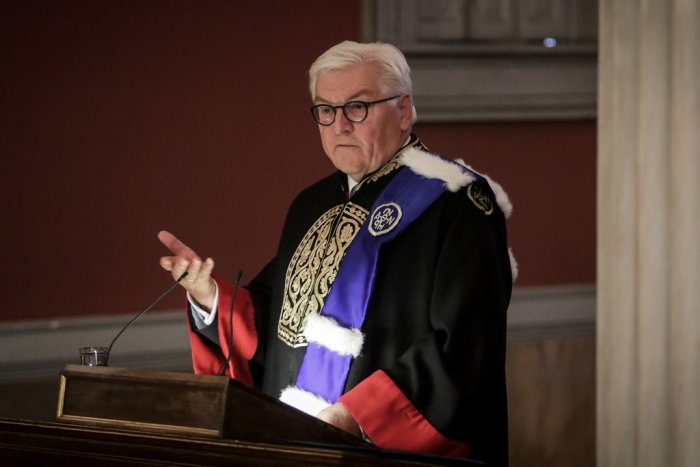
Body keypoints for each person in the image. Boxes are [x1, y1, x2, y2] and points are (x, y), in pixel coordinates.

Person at [158, 40, 515, 466]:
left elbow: (466, 347)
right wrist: (208, 297)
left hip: (386, 451)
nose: (339, 125)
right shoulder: (312, 203)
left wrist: (355, 417)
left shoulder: (456, 201)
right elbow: (275, 320)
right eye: (326, 110)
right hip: (302, 447)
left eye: (357, 107)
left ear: (403, 110)